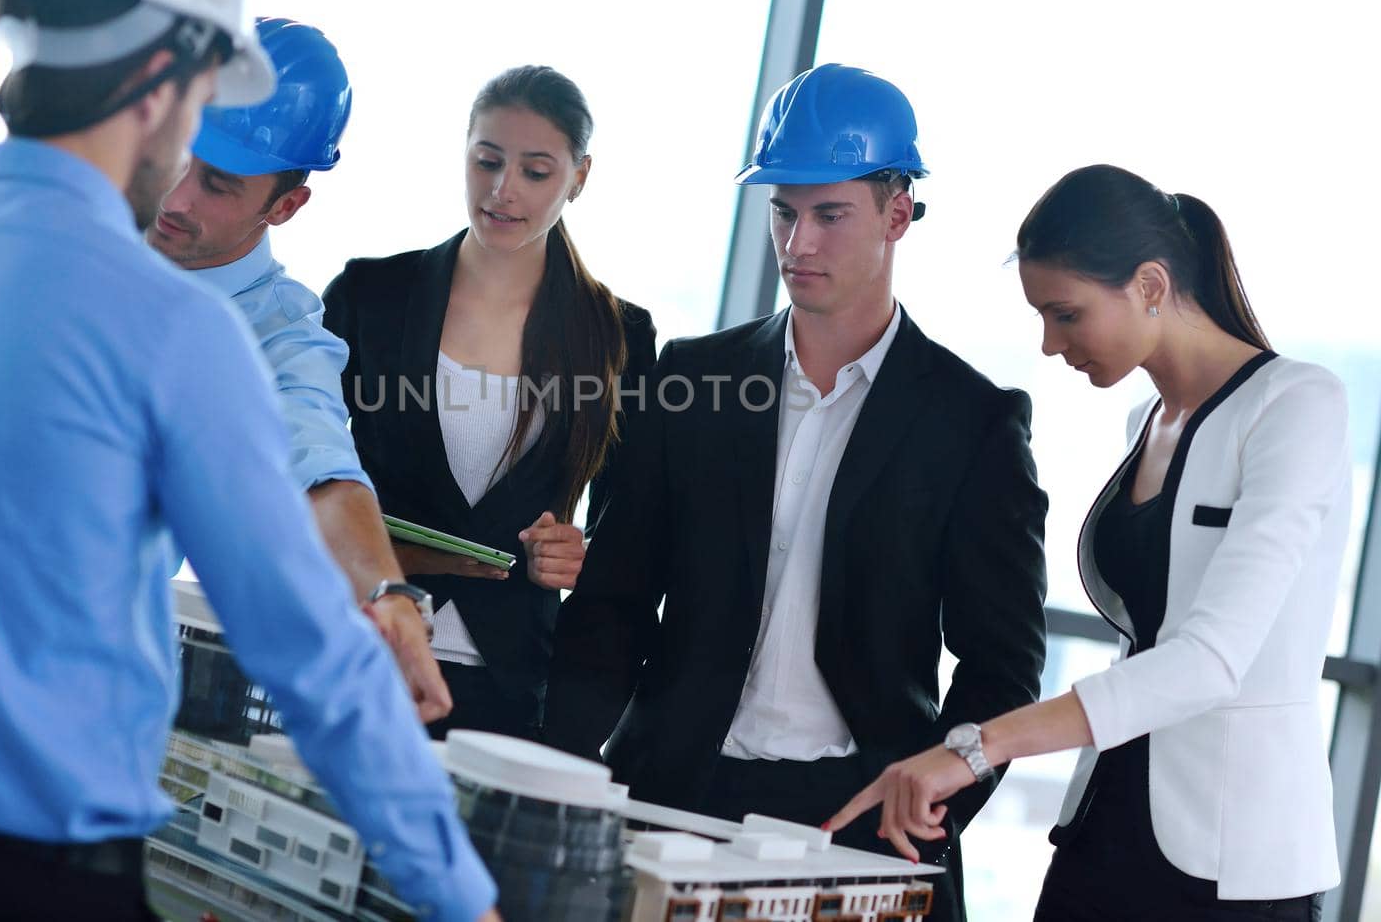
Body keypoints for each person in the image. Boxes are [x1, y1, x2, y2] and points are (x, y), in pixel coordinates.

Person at [0, 0, 496, 922]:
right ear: (166, 81)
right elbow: (306, 653)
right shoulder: (174, 331)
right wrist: (458, 897)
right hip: (36, 880)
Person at [543, 64, 1049, 922]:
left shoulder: (972, 422)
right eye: (783, 212)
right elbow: (614, 605)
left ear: (898, 213)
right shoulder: (691, 381)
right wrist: (558, 771)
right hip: (673, 794)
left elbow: (1003, 664)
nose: (798, 244)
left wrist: (931, 808)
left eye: (829, 214)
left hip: (853, 818)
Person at [830, 164, 1346, 922]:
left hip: (1233, 860)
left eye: (1065, 315)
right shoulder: (1144, 419)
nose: (1048, 344)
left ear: (1149, 285)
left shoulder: (1298, 406)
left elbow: (1210, 660)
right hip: (1106, 823)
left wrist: (977, 746)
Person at [322, 65, 658, 741]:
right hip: (357, 649)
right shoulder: (370, 297)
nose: (503, 192)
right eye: (488, 162)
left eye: (536, 172)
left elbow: (633, 538)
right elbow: (297, 475)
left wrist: (577, 552)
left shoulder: (619, 336)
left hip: (512, 688)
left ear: (579, 177)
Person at [148, 16, 449, 723]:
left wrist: (386, 596)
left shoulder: (277, 335)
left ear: (285, 205)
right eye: (177, 156)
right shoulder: (75, 224)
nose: (177, 197)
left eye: (218, 184)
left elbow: (319, 469)